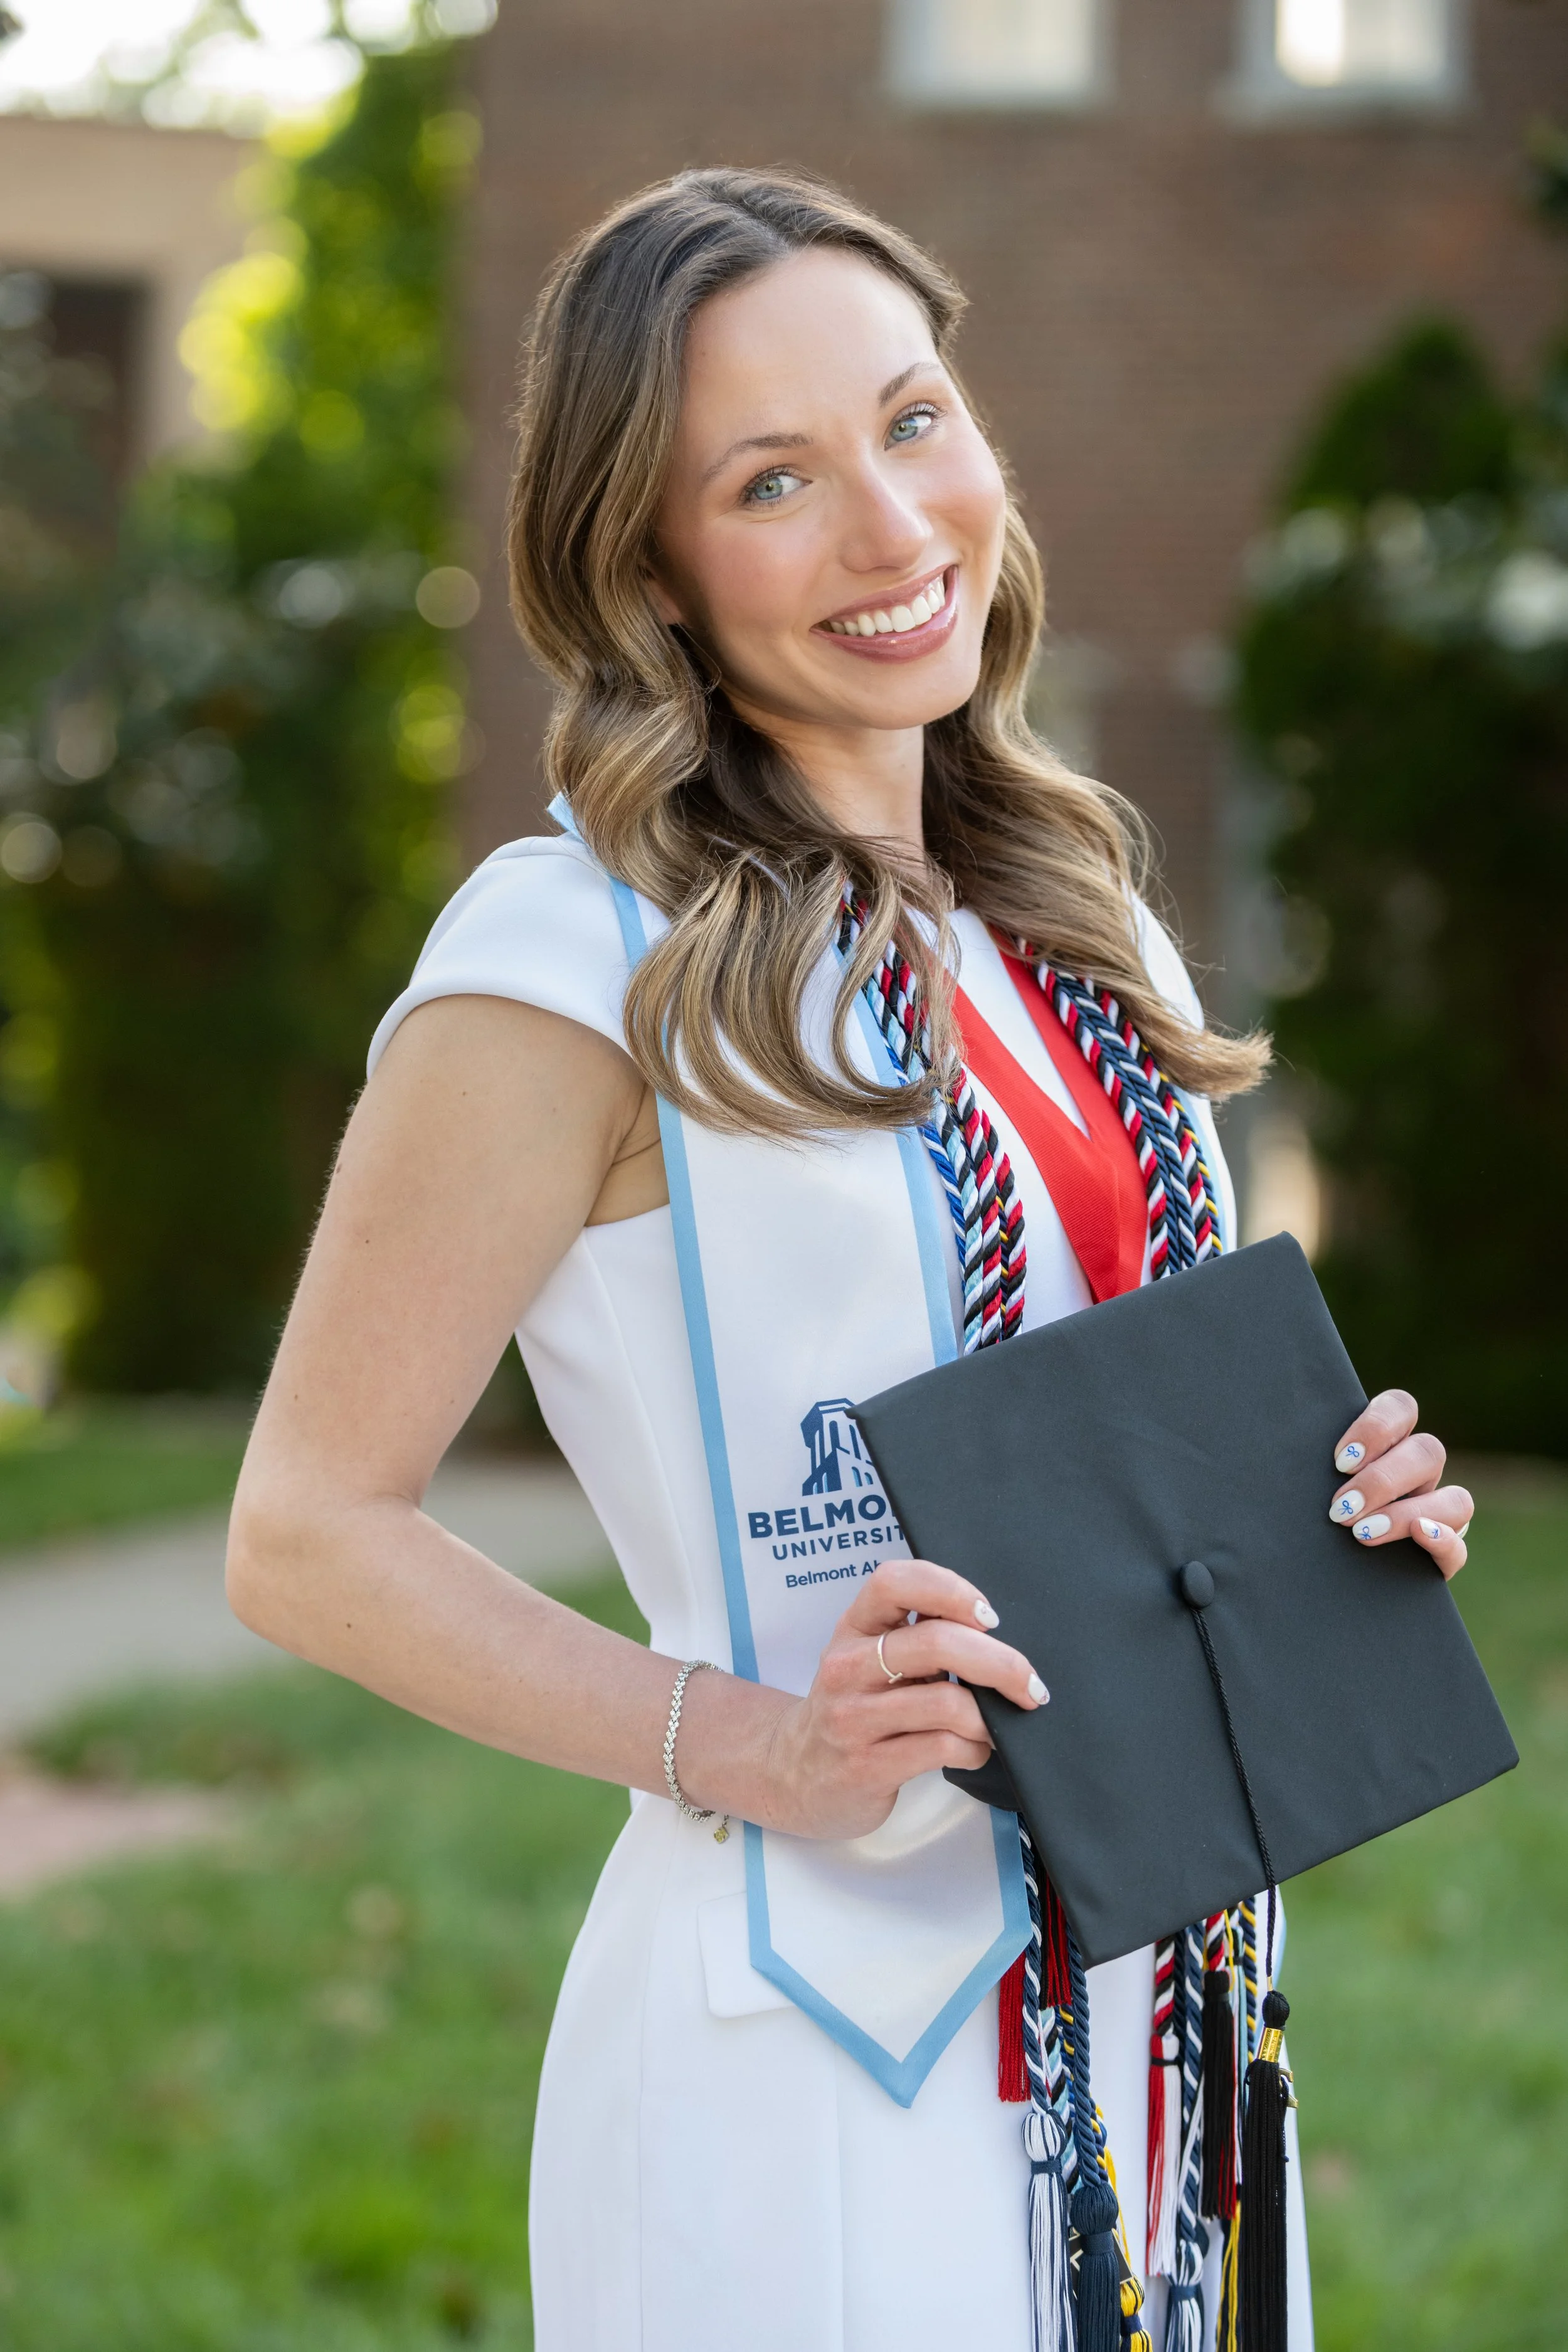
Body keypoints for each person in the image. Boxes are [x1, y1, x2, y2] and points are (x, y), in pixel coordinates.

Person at [226, 168, 1475, 2352]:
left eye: (911, 421)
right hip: (811, 2046)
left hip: (1164, 2012)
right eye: (772, 480)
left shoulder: (1065, 927)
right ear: (651, 566)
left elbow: (1102, 1436)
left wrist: (1329, 1517)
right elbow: (305, 1531)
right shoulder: (567, 958)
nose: (894, 532)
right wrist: (747, 1741)